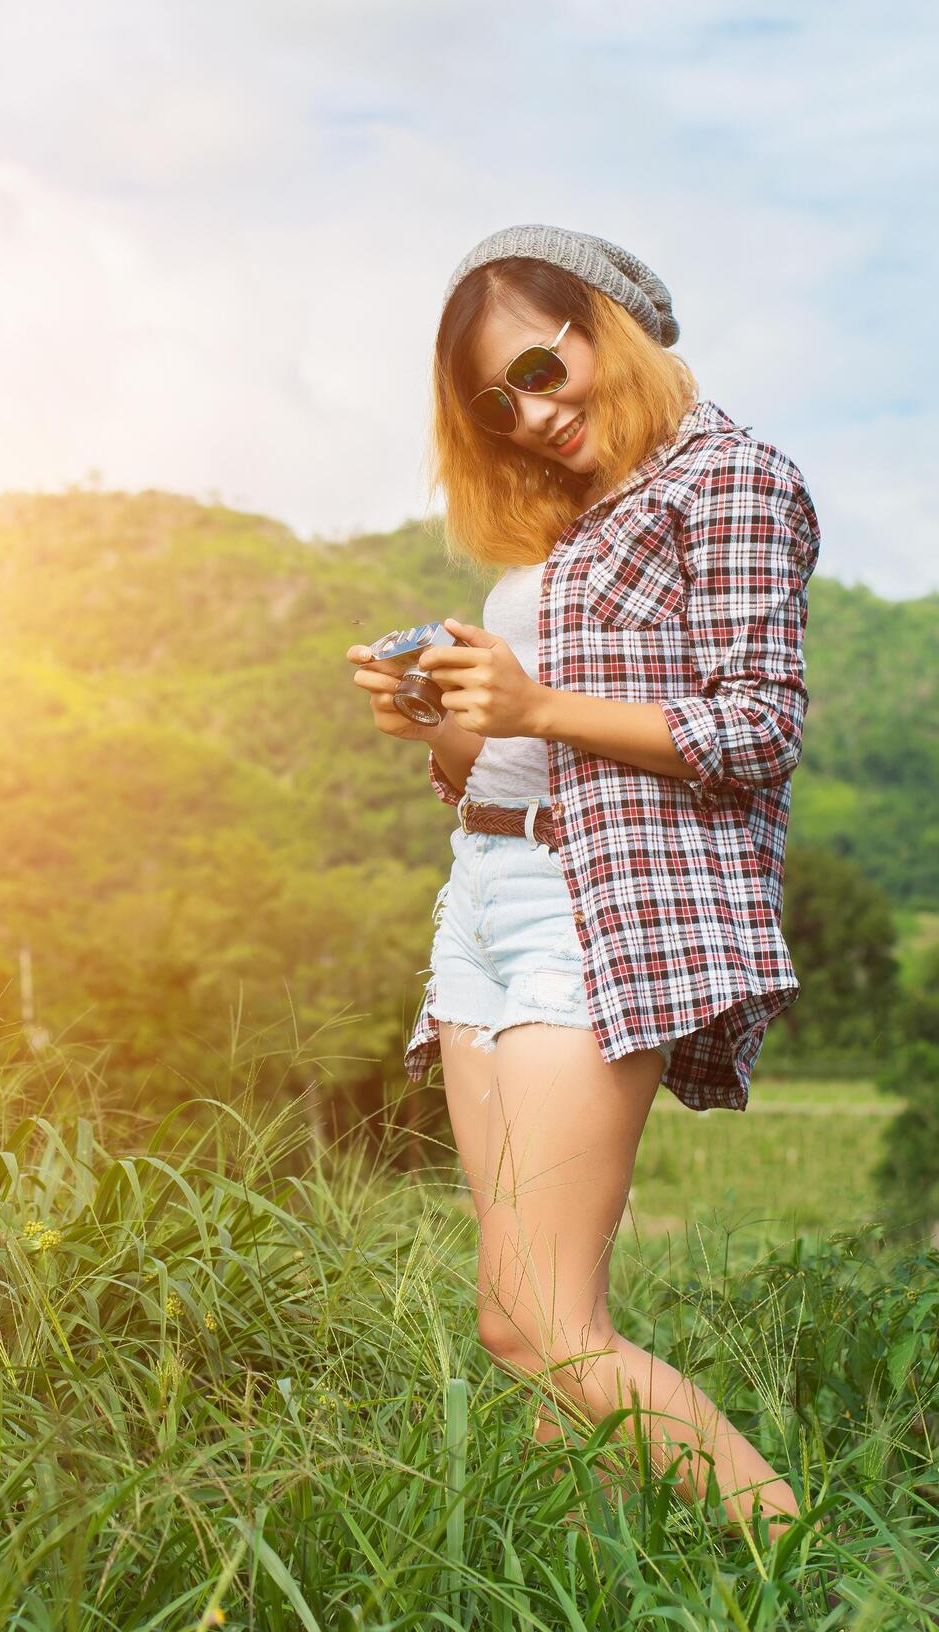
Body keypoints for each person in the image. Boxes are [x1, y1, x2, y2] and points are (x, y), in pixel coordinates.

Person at [345, 222, 819, 1543]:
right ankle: (652, 1598)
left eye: (543, 369)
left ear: (610, 327)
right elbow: (495, 770)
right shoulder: (571, 521)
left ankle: (804, 1572)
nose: (530, 414)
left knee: (547, 1322)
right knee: (528, 1326)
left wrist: (540, 702)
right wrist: (439, 722)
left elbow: (756, 729)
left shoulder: (727, 477)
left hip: (590, 918)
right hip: (484, 906)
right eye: (496, 403)